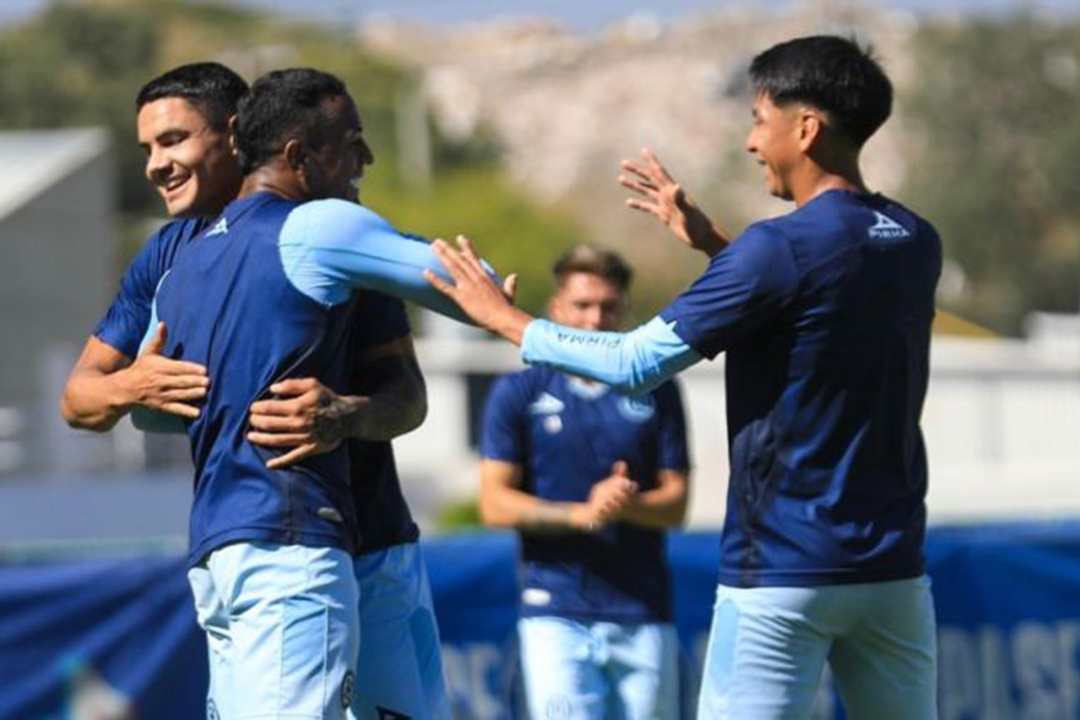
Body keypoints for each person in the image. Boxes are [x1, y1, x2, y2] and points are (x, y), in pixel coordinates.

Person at [427, 35, 941, 720]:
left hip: (782, 574)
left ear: (807, 128)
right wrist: (718, 250)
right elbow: (819, 301)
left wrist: (505, 319)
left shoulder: (776, 248)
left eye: (761, 119)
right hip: (895, 571)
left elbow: (633, 363)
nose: (753, 141)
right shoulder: (914, 239)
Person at [60, 63, 452, 720]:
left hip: (374, 548)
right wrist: (133, 384)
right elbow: (79, 398)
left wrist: (348, 415)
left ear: (237, 135)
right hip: (263, 549)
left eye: (175, 141)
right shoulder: (167, 254)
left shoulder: (334, 229)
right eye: (148, 149)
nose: (157, 165)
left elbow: (407, 394)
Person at [479, 245, 690, 720]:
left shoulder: (657, 388)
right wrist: (581, 514)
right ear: (556, 307)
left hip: (642, 609)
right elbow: (494, 503)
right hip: (554, 609)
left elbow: (677, 503)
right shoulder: (520, 391)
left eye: (608, 307)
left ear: (625, 310)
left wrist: (623, 505)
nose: (595, 319)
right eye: (582, 306)